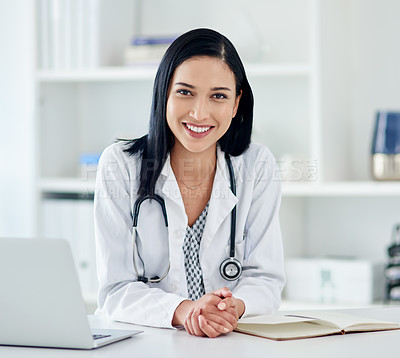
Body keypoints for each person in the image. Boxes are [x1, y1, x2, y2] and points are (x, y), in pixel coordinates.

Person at [94, 28, 285, 338]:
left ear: (236, 104)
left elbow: (265, 278)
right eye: (185, 91)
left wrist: (234, 307)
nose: (200, 112)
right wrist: (186, 310)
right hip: (144, 341)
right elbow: (115, 289)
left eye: (218, 96)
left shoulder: (257, 166)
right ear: (164, 93)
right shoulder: (119, 165)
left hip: (227, 340)